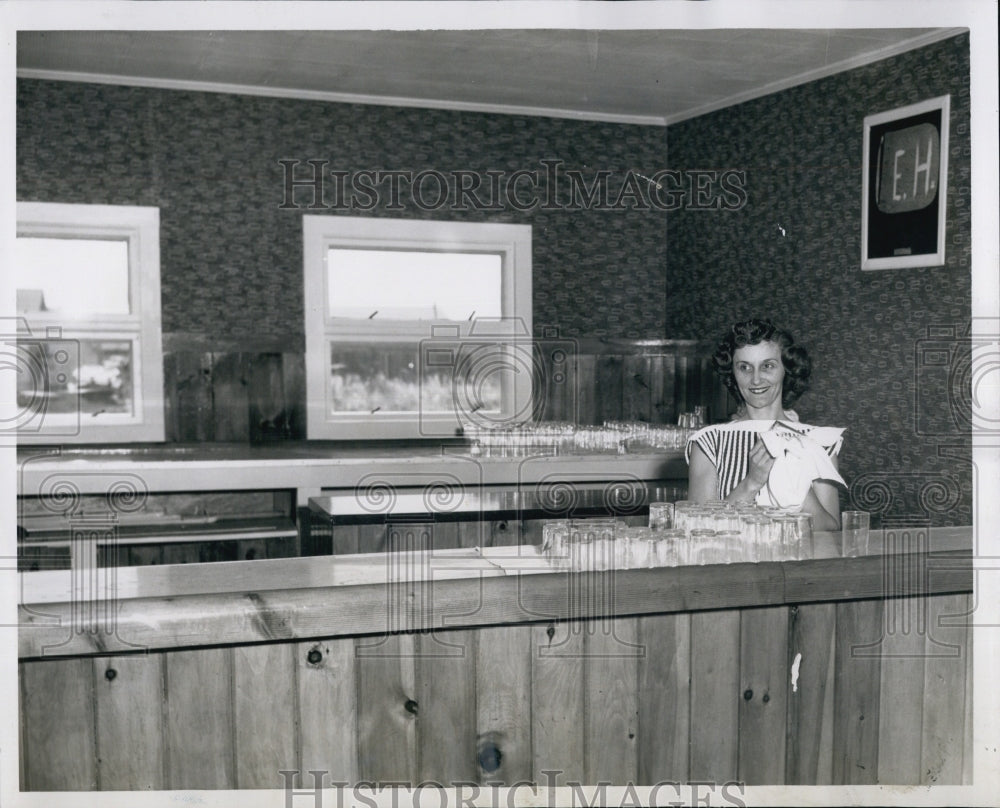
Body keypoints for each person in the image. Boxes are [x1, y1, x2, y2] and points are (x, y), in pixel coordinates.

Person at [686, 319, 843, 530]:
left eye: (768, 366)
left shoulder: (819, 441)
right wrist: (752, 482)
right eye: (744, 367)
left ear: (786, 369)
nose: (756, 379)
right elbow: (698, 529)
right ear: (732, 373)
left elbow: (831, 532)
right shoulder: (709, 441)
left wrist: (798, 488)